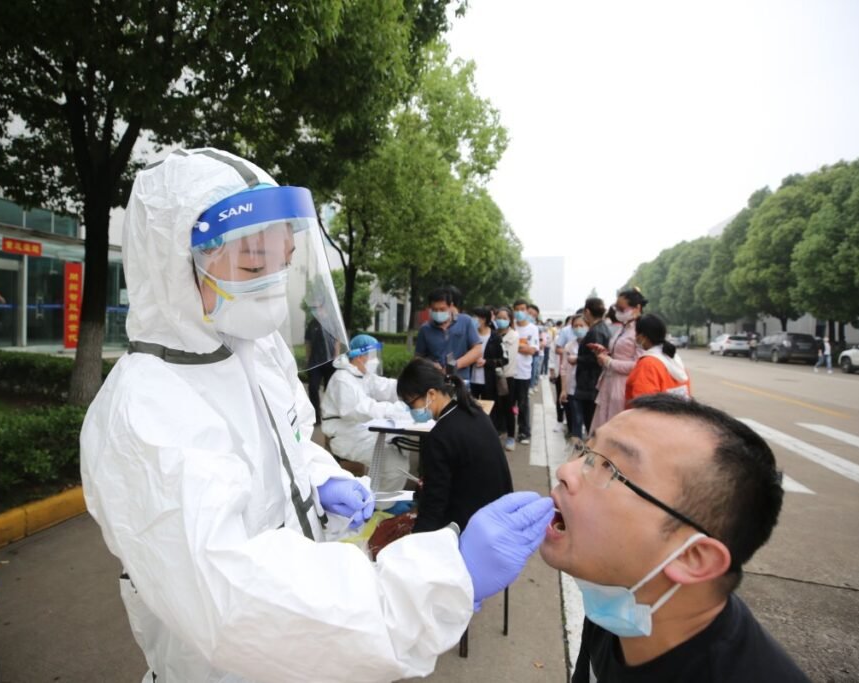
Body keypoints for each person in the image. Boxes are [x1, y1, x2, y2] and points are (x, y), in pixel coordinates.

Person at [79, 148, 554, 683]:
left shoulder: (254, 351)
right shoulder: (145, 409)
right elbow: (234, 603)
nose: (272, 285)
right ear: (175, 265)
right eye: (254, 265)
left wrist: (321, 477)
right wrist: (437, 584)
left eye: (281, 265)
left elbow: (288, 440)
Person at [543, 394, 809, 682]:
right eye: (586, 450)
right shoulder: (620, 601)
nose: (566, 471)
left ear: (692, 557)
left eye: (610, 467)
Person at [398, 358, 514, 533]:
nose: (410, 410)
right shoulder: (474, 411)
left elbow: (434, 504)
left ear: (431, 394)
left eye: (411, 404)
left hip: (471, 527)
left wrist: (417, 542)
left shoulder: (440, 436)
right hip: (500, 516)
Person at [320, 334, 411, 491]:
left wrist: (412, 387)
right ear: (360, 356)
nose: (375, 360)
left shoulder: (362, 375)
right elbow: (363, 409)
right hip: (345, 436)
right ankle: (382, 505)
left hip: (360, 431)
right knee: (394, 462)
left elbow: (386, 387)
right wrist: (400, 410)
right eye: (372, 355)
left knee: (401, 443)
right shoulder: (343, 379)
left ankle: (380, 493)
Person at [592, 289, 645, 432]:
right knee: (603, 426)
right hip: (609, 382)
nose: (617, 311)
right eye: (616, 307)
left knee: (616, 428)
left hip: (622, 385)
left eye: (621, 308)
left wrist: (610, 362)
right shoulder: (624, 328)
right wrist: (604, 354)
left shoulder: (640, 332)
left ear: (637, 308)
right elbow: (618, 353)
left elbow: (640, 364)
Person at [414, 287, 482, 382]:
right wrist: (431, 365)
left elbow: (478, 350)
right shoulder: (425, 329)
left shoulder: (465, 322)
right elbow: (418, 357)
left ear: (451, 306)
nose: (438, 313)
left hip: (460, 380)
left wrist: (455, 364)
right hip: (434, 380)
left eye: (442, 309)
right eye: (435, 310)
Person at [626, 314, 691, 403]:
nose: (635, 337)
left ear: (642, 336)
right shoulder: (673, 357)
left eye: (636, 333)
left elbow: (644, 405)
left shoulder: (648, 363)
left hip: (656, 415)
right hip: (677, 414)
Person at [574, 297, 611, 438]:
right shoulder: (603, 328)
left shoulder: (595, 331)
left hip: (589, 384)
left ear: (587, 311)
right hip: (594, 382)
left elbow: (594, 358)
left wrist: (577, 359)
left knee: (590, 421)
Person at [511, 299, 540, 444]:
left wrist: (514, 346)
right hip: (508, 371)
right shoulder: (511, 326)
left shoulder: (533, 328)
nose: (519, 312)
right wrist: (521, 347)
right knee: (508, 403)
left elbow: (531, 350)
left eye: (522, 309)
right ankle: (507, 430)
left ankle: (524, 432)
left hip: (523, 372)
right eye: (517, 309)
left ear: (527, 310)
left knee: (522, 403)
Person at [468, 306, 506, 403]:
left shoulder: (495, 337)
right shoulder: (470, 335)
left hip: (489, 382)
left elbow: (504, 359)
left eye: (475, 317)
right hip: (471, 381)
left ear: (484, 319)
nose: (472, 320)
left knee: (489, 410)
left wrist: (486, 362)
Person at [495, 306, 520, 450]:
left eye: (505, 318)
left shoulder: (513, 335)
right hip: (493, 376)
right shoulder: (494, 333)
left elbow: (506, 358)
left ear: (510, 320)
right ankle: (497, 432)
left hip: (507, 377)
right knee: (496, 407)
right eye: (499, 317)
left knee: (508, 408)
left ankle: (511, 437)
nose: (501, 320)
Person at [560, 315, 588, 439]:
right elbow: (564, 369)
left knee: (589, 423)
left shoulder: (592, 346)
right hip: (572, 389)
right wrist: (564, 389)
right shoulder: (569, 346)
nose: (578, 328)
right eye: (575, 326)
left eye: (581, 325)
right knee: (576, 421)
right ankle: (577, 451)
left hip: (588, 390)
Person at [304, 316, 335, 423]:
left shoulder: (331, 322)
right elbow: (308, 342)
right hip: (315, 362)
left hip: (330, 361)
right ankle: (316, 416)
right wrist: (307, 359)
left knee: (330, 389)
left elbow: (337, 340)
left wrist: (336, 357)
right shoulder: (312, 324)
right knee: (313, 387)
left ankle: (329, 415)